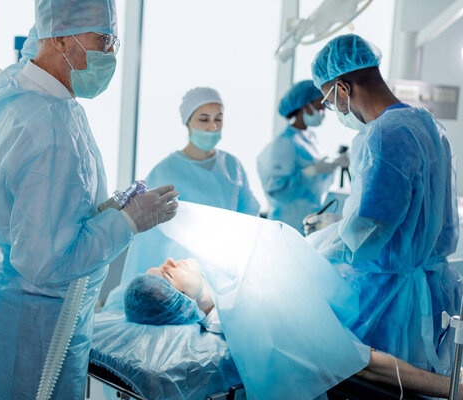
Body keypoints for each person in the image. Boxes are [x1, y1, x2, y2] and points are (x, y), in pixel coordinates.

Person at [0, 1, 179, 398]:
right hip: (37, 324)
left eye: (114, 40)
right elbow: (45, 261)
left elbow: (51, 211)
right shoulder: (47, 125)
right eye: (103, 39)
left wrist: (109, 207)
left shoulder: (23, 94)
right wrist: (128, 221)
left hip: (11, 308)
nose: (111, 53)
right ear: (60, 37)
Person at [304, 33, 460, 374]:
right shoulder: (429, 125)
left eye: (330, 101)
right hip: (433, 291)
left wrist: (310, 251)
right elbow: (420, 219)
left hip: (390, 300)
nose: (334, 110)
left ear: (343, 88)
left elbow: (366, 234)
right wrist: (335, 226)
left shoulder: (383, 134)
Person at [125, 258, 460, 399]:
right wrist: (452, 389)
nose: (171, 262)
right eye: (166, 274)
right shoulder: (244, 319)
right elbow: (365, 364)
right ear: (181, 301)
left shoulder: (232, 298)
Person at [146, 87, 260, 216]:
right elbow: (151, 223)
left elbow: (250, 212)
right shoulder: (165, 171)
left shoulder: (232, 164)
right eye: (204, 120)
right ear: (187, 122)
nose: (213, 127)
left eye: (218, 119)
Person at [257, 80, 347, 232]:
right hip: (288, 223)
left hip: (310, 220)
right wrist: (311, 171)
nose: (323, 112)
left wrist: (332, 163)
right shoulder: (284, 144)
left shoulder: (310, 138)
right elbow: (277, 190)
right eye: (319, 107)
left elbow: (316, 181)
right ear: (305, 106)